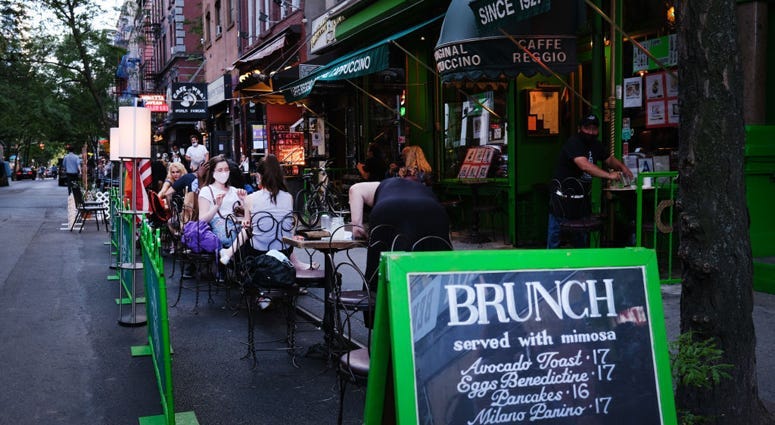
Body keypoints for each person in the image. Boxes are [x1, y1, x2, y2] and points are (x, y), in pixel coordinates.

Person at [546, 113, 633, 249]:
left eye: (594, 129)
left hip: (581, 199)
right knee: (555, 238)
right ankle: (550, 268)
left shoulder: (596, 144)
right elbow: (584, 165)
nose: (591, 132)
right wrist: (609, 176)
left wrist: (622, 167)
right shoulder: (573, 143)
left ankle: (582, 267)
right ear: (580, 128)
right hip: (562, 199)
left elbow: (608, 159)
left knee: (581, 239)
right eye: (587, 128)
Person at [349, 177, 451, 289]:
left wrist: (357, 225)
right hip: (432, 209)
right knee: (441, 262)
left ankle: (375, 298)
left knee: (378, 268)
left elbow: (355, 189)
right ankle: (447, 297)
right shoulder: (422, 189)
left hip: (388, 207)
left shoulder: (380, 185)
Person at [218, 155, 317, 270]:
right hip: (284, 249)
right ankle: (296, 263)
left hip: (258, 251)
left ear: (259, 176)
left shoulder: (251, 198)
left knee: (246, 230)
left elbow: (246, 224)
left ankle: (229, 254)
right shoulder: (289, 197)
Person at [197, 156, 246, 249]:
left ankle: (229, 255)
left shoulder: (234, 190)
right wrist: (216, 206)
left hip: (238, 226)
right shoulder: (207, 191)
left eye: (226, 169)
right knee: (232, 238)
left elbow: (244, 214)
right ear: (212, 172)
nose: (224, 173)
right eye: (220, 170)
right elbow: (202, 220)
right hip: (222, 230)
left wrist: (244, 201)